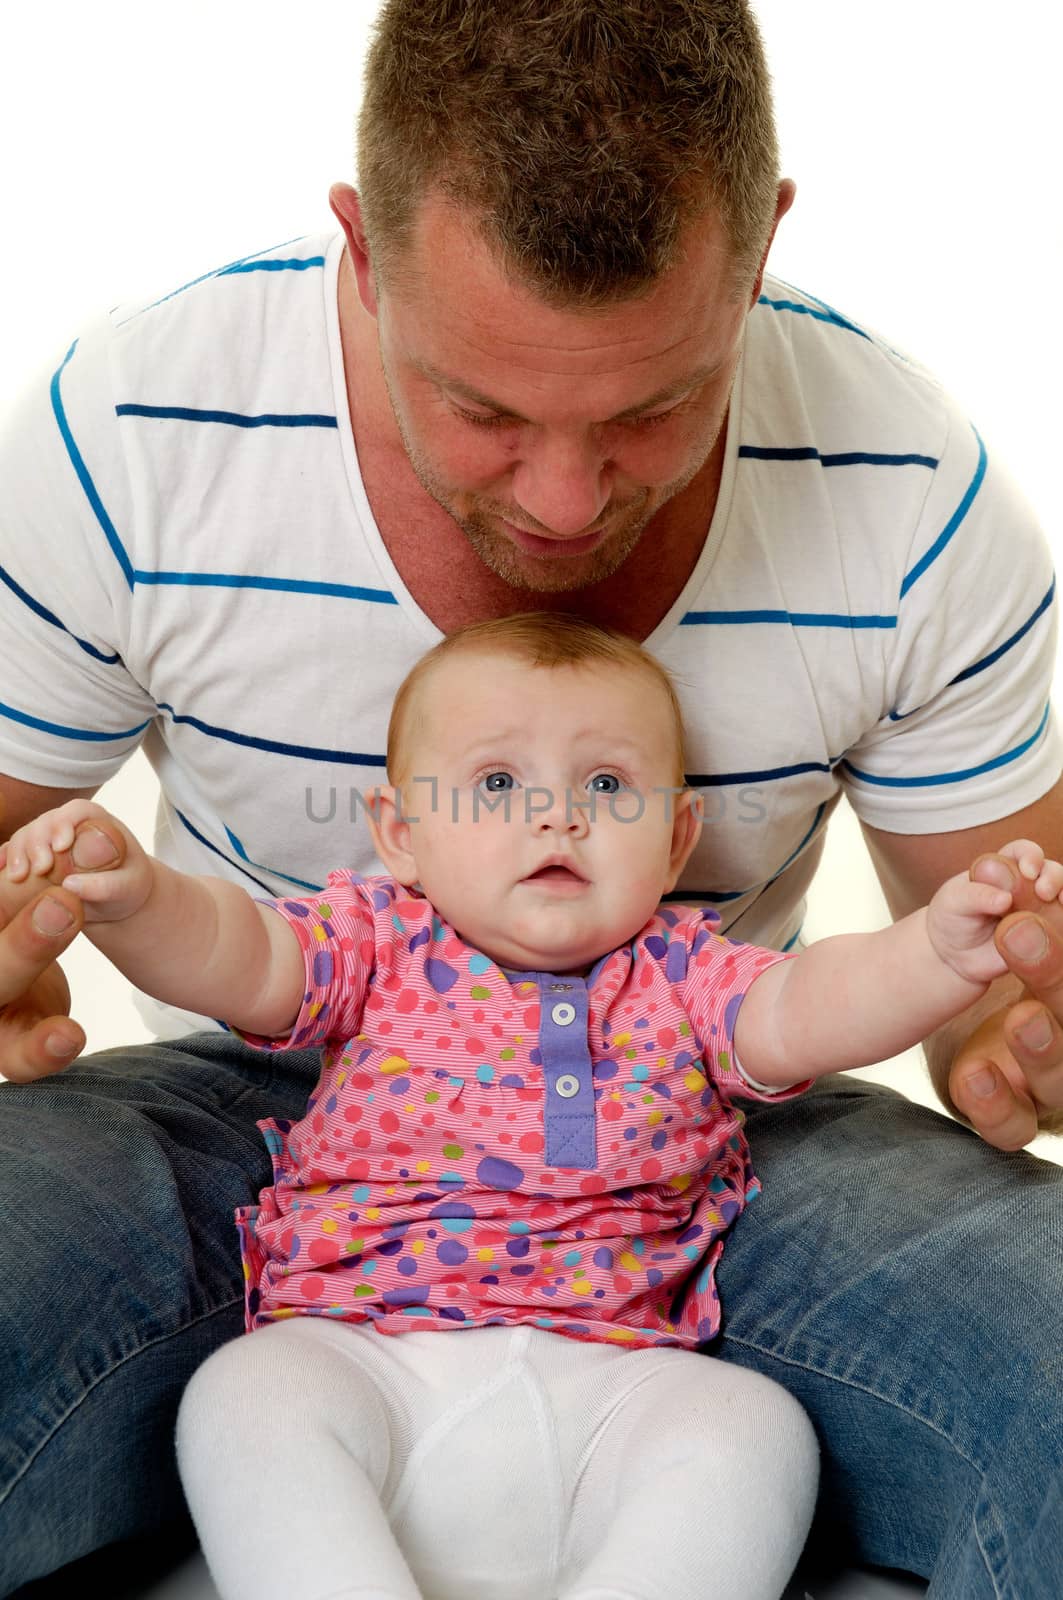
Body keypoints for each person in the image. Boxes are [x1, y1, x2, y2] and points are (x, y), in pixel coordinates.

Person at [0, 1, 1060, 1594]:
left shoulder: (905, 485)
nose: (563, 503)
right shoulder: (137, 419)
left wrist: (1003, 1015)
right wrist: (71, 911)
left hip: (698, 1154)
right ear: (361, 249)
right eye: (484, 409)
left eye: (648, 408)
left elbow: (945, 979)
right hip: (247, 1123)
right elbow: (227, 953)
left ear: (761, 244)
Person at [4, 611, 1061, 1600]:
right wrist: (138, 899)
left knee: (751, 1429)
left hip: (623, 1379)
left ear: (679, 835)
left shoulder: (686, 974)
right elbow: (234, 953)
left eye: (607, 783)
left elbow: (815, 1003)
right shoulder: (376, 944)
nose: (557, 812)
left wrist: (934, 950)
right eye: (498, 781)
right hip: (363, 1348)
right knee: (247, 1398)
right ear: (402, 831)